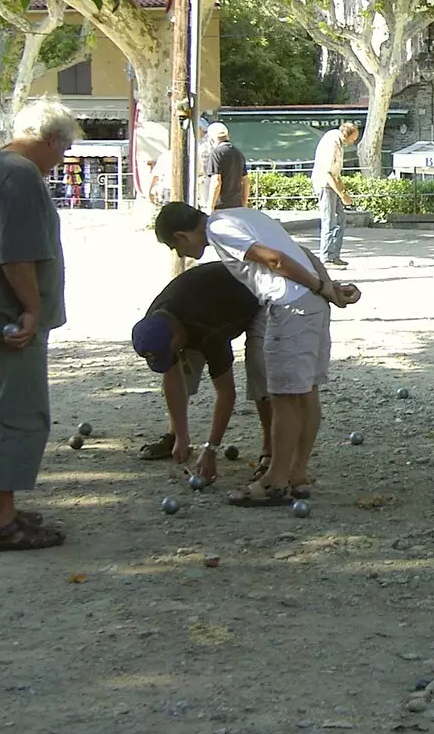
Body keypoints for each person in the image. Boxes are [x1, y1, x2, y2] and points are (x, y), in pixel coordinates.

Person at [154, 202, 359, 506]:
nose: (181, 254)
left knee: (285, 398)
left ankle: (275, 481)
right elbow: (301, 251)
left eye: (176, 245)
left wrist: (323, 286)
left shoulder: (219, 229)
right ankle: (297, 475)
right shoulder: (241, 215)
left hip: (290, 307)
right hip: (311, 304)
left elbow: (275, 259)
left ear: (183, 235)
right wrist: (326, 287)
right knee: (307, 393)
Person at [0, 99, 77, 551]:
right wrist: (30, 309)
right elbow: (17, 254)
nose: (59, 161)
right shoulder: (22, 176)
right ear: (50, 141)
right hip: (5, 315)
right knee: (16, 417)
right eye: (61, 151)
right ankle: (2, 524)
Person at [131, 261, 272, 483]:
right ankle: (175, 437)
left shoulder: (207, 328)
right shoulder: (155, 321)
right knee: (184, 365)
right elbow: (172, 376)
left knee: (258, 366)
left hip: (260, 292)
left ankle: (270, 448)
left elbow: (226, 395)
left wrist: (211, 449)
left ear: (177, 335)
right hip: (204, 306)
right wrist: (183, 435)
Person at [311, 121, 358, 266]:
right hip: (325, 185)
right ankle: (327, 257)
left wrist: (342, 189)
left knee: (339, 219)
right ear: (346, 135)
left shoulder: (335, 137)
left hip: (331, 184)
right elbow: (328, 173)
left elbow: (335, 171)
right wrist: (342, 195)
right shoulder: (333, 144)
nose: (353, 141)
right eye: (353, 139)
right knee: (329, 221)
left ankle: (334, 255)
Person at [204, 122, 248, 211]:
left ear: (211, 138)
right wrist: (244, 202)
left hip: (220, 205)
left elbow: (216, 180)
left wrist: (210, 206)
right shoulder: (238, 153)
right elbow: (246, 180)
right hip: (236, 204)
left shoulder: (216, 154)